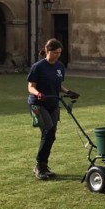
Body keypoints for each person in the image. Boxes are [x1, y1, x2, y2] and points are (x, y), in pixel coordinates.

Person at [27, 38, 80, 180]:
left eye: (59, 53)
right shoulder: (38, 67)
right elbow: (31, 87)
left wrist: (68, 92)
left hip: (53, 103)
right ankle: (40, 166)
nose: (58, 55)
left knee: (51, 135)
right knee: (48, 131)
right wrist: (39, 94)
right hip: (38, 104)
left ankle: (43, 165)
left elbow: (58, 86)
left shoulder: (60, 66)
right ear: (47, 50)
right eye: (55, 52)